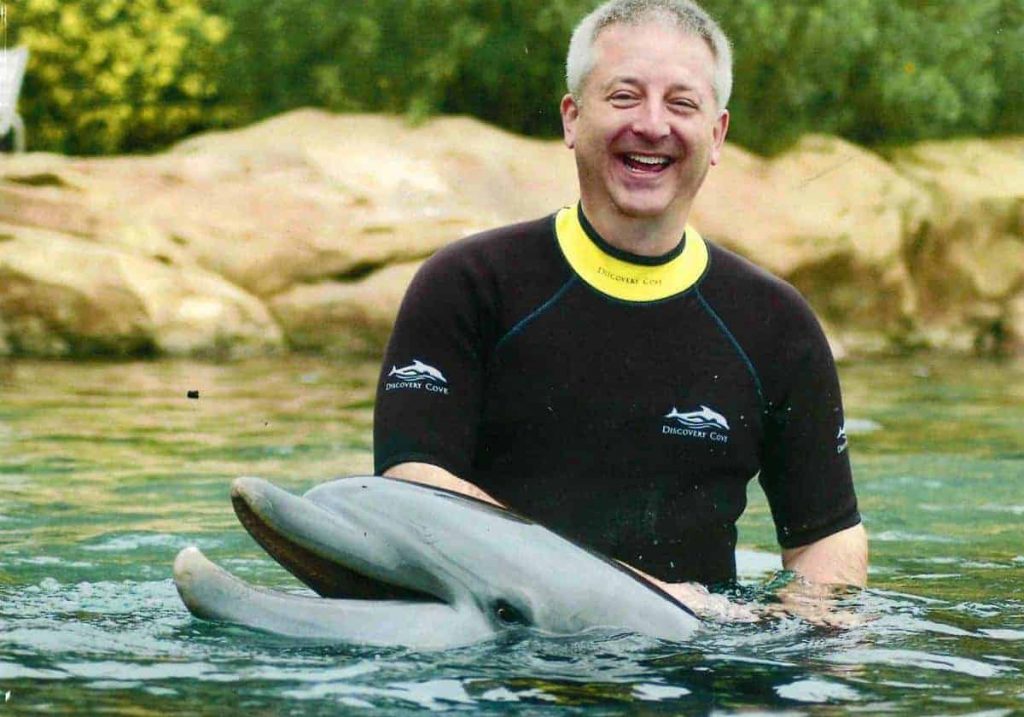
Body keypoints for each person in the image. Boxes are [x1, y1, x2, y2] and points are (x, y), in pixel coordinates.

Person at [373, 0, 867, 615]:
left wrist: (804, 645)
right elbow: (408, 484)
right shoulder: (469, 284)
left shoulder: (776, 323)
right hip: (494, 659)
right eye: (624, 97)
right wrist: (627, 591)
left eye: (682, 104)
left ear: (716, 137)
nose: (653, 125)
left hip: (693, 672)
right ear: (572, 119)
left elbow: (829, 538)